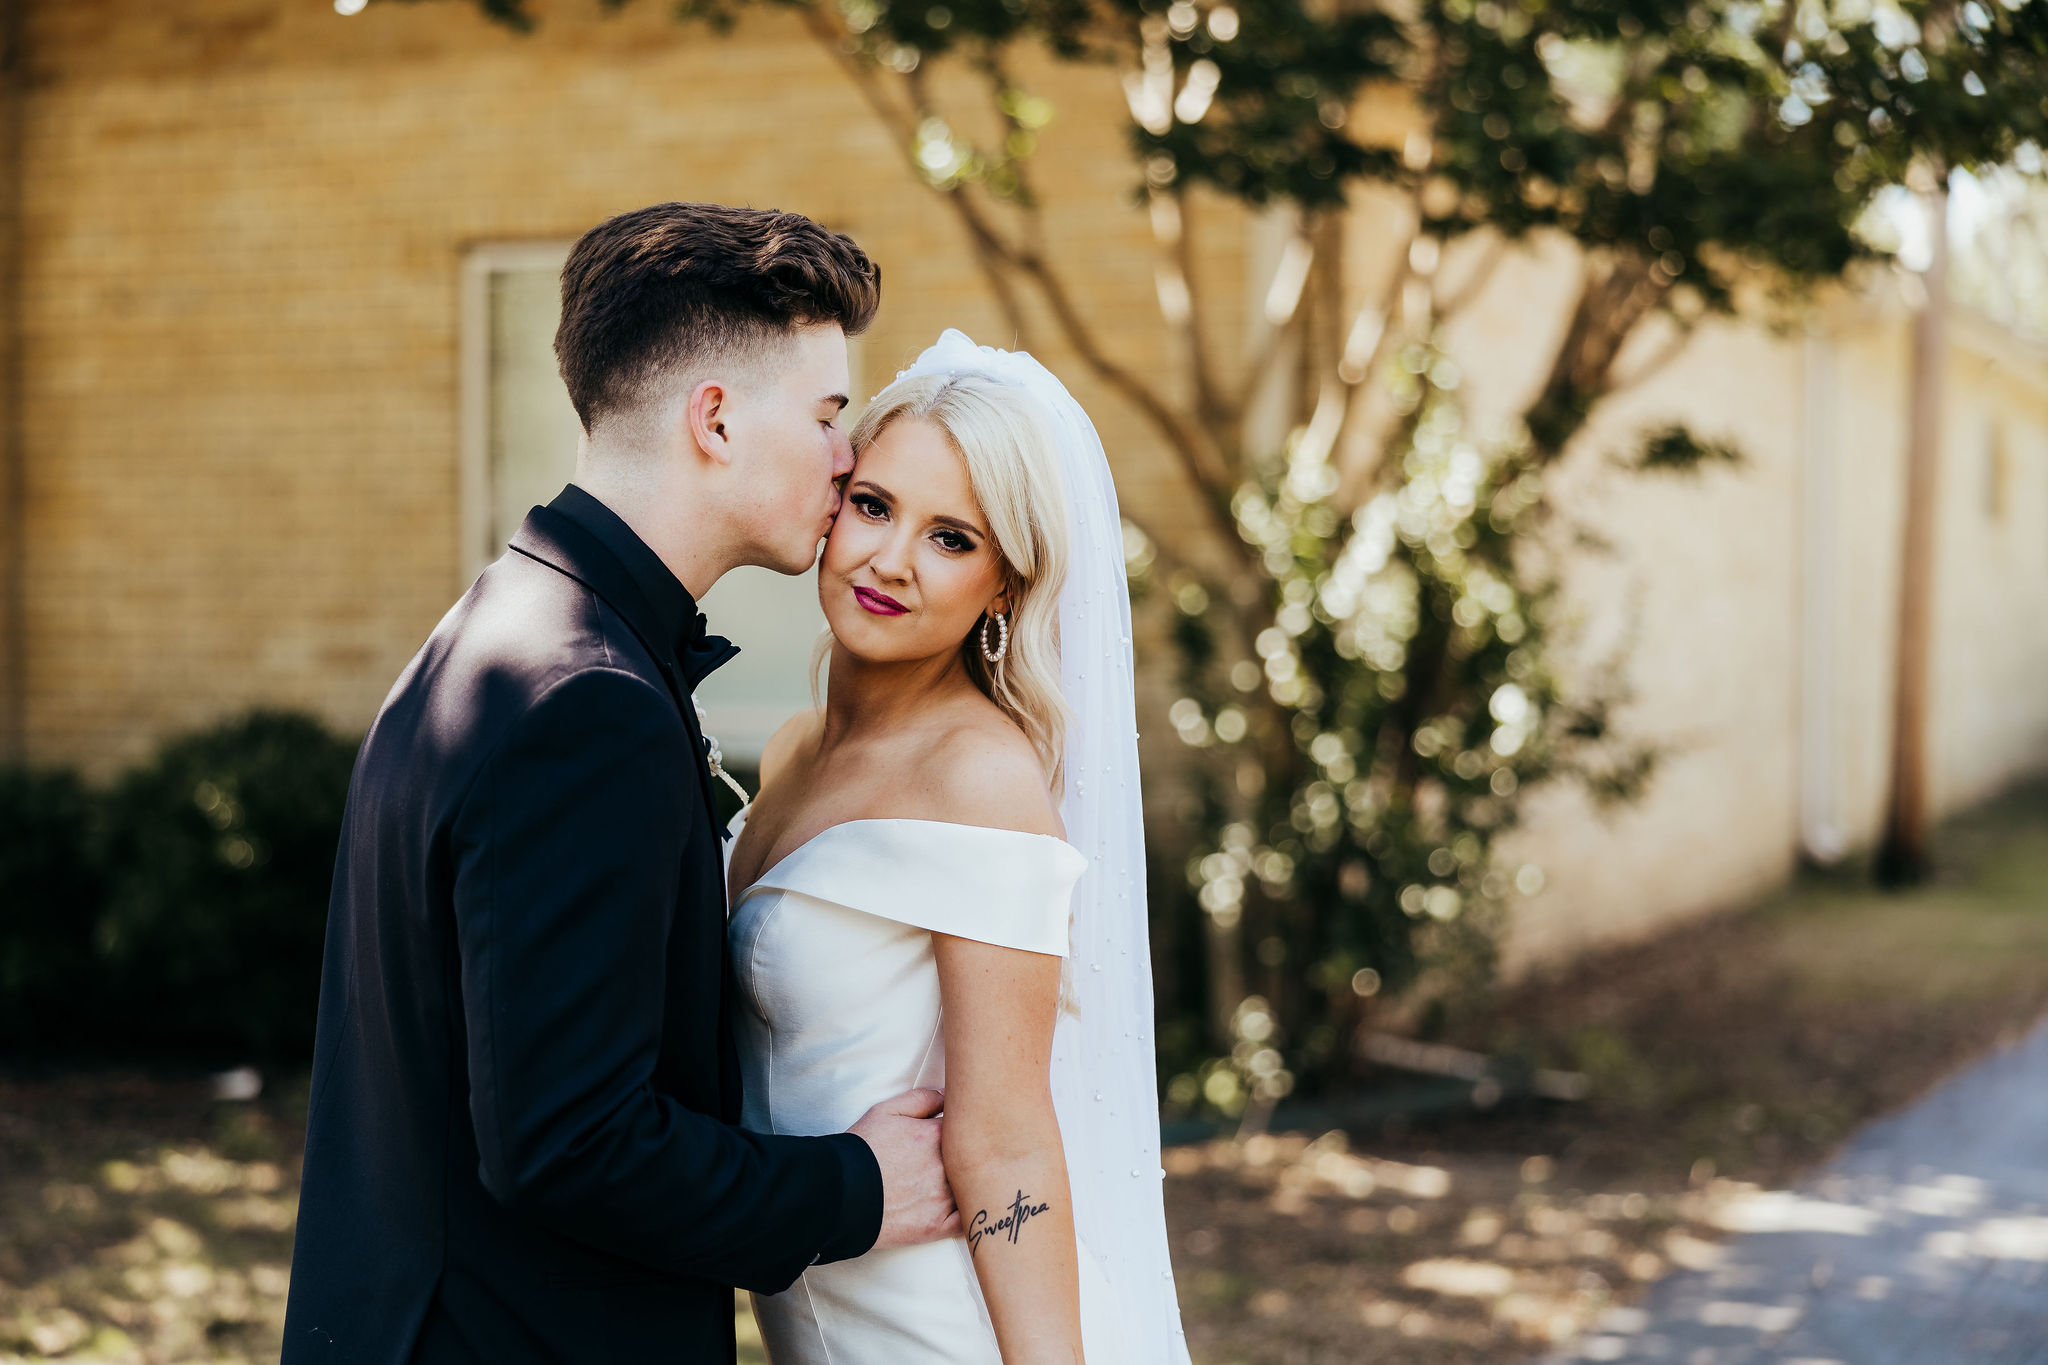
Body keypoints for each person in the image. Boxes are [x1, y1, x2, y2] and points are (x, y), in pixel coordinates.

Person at [281, 203, 958, 1365]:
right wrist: (849, 1188)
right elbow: (570, 1142)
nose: (847, 458)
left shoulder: (500, 635)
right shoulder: (583, 702)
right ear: (714, 419)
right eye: (826, 414)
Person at [723, 331, 1189, 1363]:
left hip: (937, 1333)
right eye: (875, 506)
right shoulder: (796, 750)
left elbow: (1008, 1138)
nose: (889, 560)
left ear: (1005, 588)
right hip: (811, 1309)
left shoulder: (977, 780)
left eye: (951, 538)